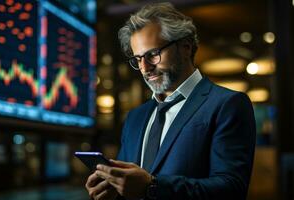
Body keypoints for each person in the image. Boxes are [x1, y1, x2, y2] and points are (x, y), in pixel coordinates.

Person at [86, 2, 256, 200]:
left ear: (185, 47)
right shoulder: (135, 117)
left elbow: (231, 189)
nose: (145, 68)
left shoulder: (228, 104)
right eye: (138, 59)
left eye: (153, 54)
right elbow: (128, 187)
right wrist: (111, 190)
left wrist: (152, 187)